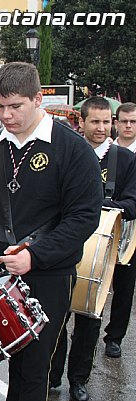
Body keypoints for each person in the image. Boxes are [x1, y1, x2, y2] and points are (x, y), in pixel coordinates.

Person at [0, 62, 103, 401]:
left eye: (15, 106)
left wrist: (36, 255)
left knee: (30, 378)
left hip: (45, 277)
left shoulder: (73, 150)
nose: (6, 115)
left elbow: (83, 218)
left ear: (37, 98)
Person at [50, 97, 136, 401]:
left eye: (105, 122)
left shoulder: (124, 160)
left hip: (100, 253)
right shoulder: (67, 154)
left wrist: (106, 206)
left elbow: (133, 202)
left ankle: (79, 381)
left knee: (89, 318)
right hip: (65, 246)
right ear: (81, 122)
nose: (101, 128)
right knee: (57, 315)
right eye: (94, 122)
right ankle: (53, 374)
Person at [103, 102, 136, 357]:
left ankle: (114, 336)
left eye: (133, 122)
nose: (127, 126)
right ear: (116, 122)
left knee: (124, 288)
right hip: (104, 230)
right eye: (123, 121)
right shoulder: (107, 151)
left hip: (131, 234)